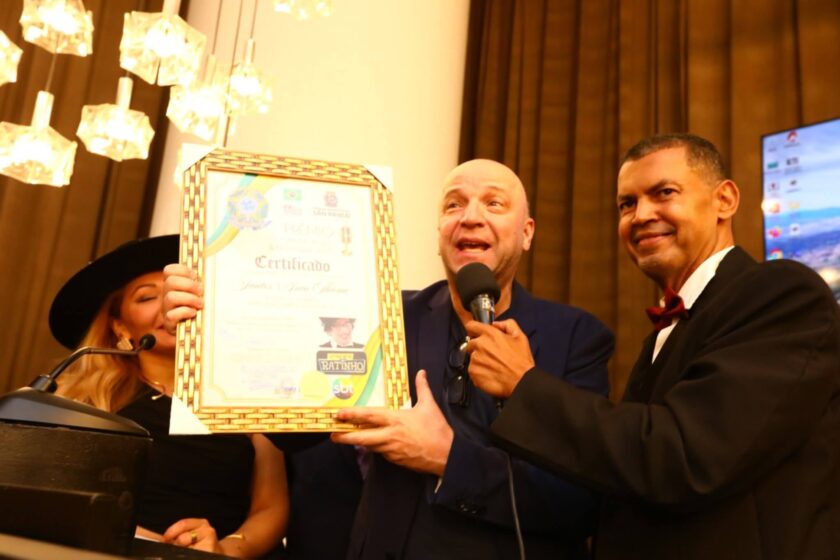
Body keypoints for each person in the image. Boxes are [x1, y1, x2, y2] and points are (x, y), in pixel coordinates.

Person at [161, 159, 615, 559]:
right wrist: (214, 316)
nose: (471, 216)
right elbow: (300, 427)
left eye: (494, 204)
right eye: (454, 205)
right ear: (439, 232)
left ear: (527, 232)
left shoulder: (575, 337)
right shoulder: (381, 314)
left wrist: (447, 459)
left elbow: (578, 503)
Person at [465, 134, 840, 559]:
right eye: (627, 204)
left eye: (664, 193)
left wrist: (525, 385)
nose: (641, 215)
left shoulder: (782, 293)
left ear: (724, 200)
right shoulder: (666, 331)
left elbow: (685, 457)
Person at [49, 235, 289, 559]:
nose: (169, 304)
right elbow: (58, 499)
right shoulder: (87, 400)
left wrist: (222, 550)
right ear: (119, 326)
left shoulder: (241, 391)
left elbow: (271, 507)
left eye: (182, 292)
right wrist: (147, 543)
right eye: (148, 297)